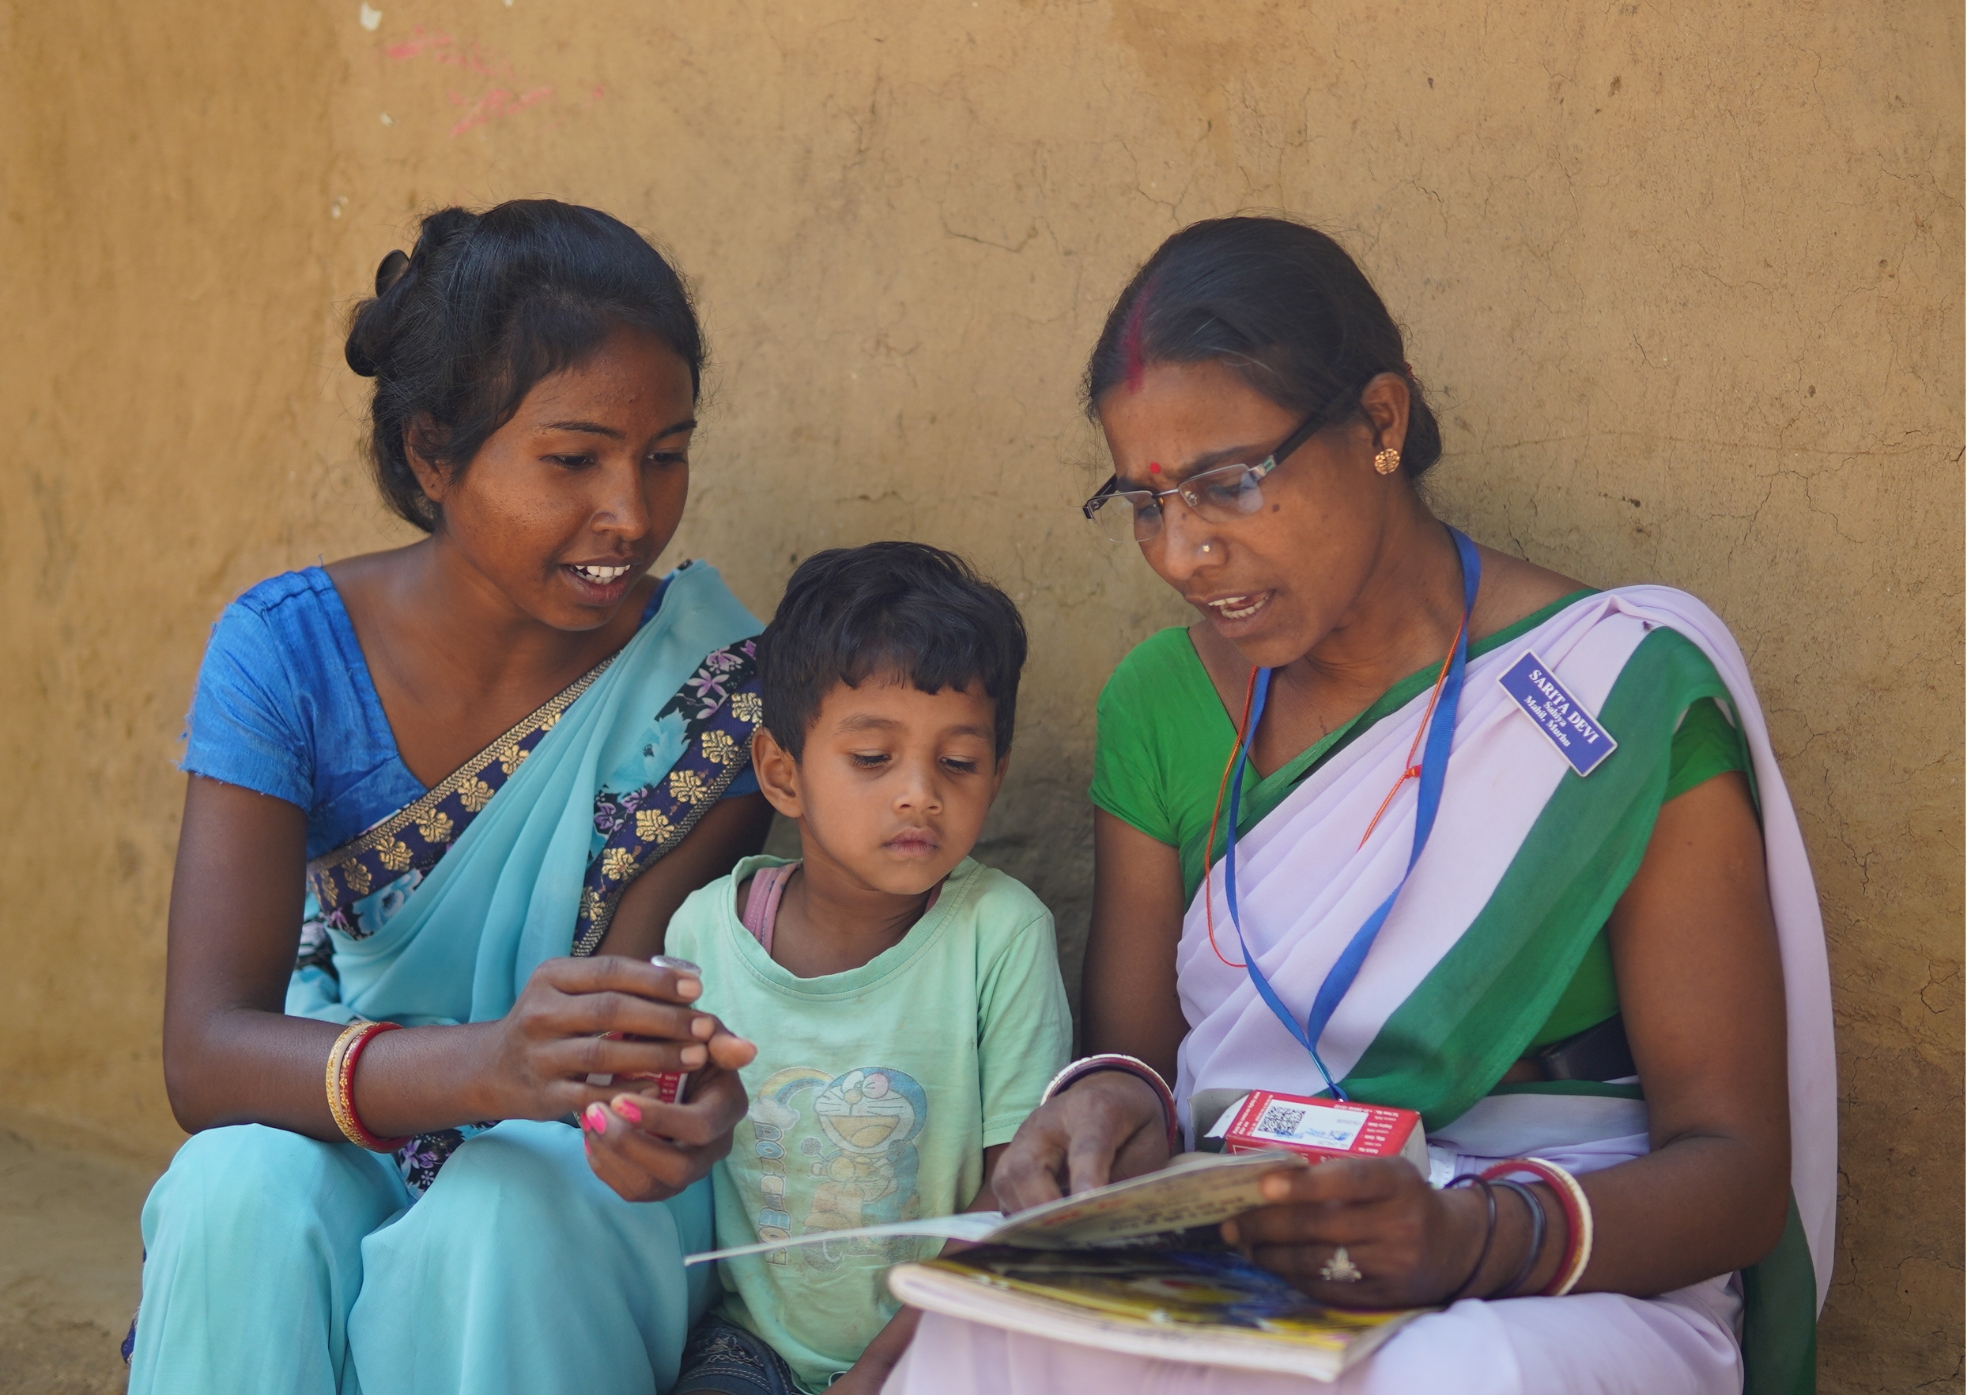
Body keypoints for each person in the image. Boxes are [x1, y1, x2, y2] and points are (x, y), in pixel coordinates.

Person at [883, 217, 1835, 1394]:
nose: (1181, 552)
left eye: (1227, 483)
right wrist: (1102, 1106)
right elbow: (1141, 1062)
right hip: (1250, 1243)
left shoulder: (1616, 694)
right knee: (985, 1351)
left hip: (1560, 1269)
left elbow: (1732, 1171)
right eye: (1143, 501)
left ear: (1379, 422)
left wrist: (1467, 1240)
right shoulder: (1162, 702)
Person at [130, 199, 778, 1395]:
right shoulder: (286, 653)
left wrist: (659, 1114)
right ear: (433, 453)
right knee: (234, 1191)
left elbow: (622, 1054)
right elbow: (207, 1054)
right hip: (360, 1103)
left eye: (665, 453)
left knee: (501, 1216)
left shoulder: (713, 689)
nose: (630, 514)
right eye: (572, 459)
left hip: (564, 1168)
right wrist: (484, 1064)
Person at [663, 543, 1074, 1395]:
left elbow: (1016, 1202)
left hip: (947, 1342)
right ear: (781, 772)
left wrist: (885, 1370)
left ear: (994, 773)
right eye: (873, 758)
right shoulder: (704, 933)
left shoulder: (999, 934)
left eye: (957, 762)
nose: (919, 792)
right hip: (749, 1347)